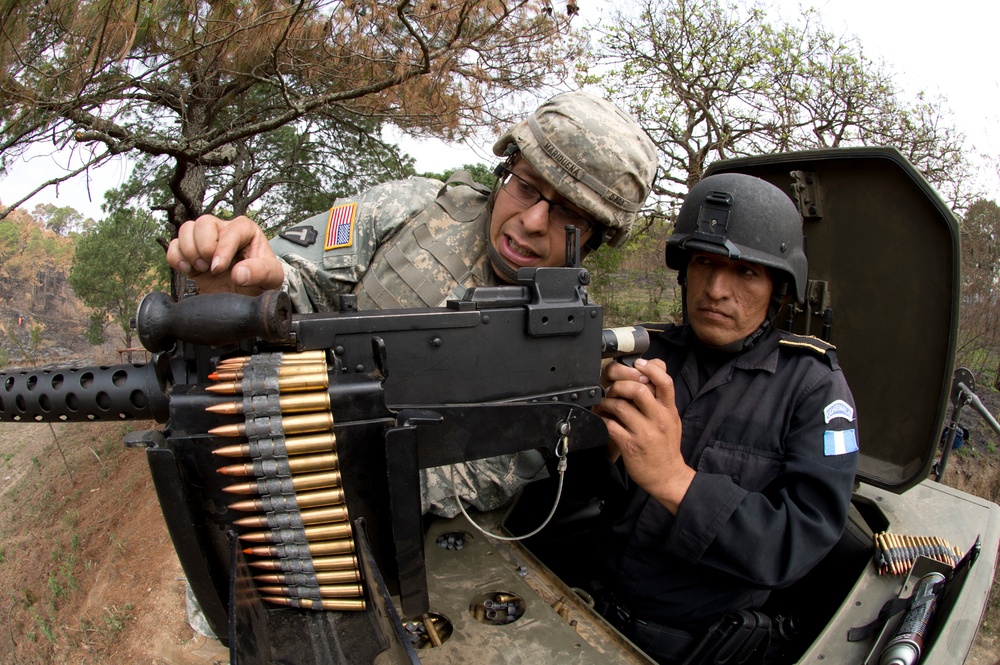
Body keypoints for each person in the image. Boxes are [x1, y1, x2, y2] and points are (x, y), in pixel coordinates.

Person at [167, 90, 659, 517]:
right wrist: (256, 290)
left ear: (595, 238)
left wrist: (332, 467)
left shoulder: (566, 350)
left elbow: (483, 478)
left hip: (372, 528)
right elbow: (301, 285)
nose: (531, 221)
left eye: (568, 212)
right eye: (525, 186)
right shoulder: (411, 209)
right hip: (264, 462)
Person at [592, 173, 860, 664]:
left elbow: (797, 543)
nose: (716, 289)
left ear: (779, 287)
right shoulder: (644, 356)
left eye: (746, 272)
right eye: (704, 262)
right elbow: (571, 500)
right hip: (583, 612)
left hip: (692, 650)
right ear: (684, 270)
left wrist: (676, 480)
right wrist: (602, 449)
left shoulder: (813, 387)